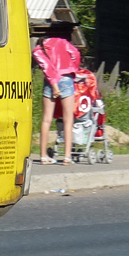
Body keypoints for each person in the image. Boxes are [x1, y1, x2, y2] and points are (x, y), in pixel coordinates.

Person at [33, 28, 80, 165]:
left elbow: (47, 68)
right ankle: (67, 157)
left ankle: (43, 156)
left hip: (49, 81)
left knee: (46, 119)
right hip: (66, 79)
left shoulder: (37, 51)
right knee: (68, 119)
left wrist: (53, 84)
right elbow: (76, 54)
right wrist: (72, 69)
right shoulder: (63, 42)